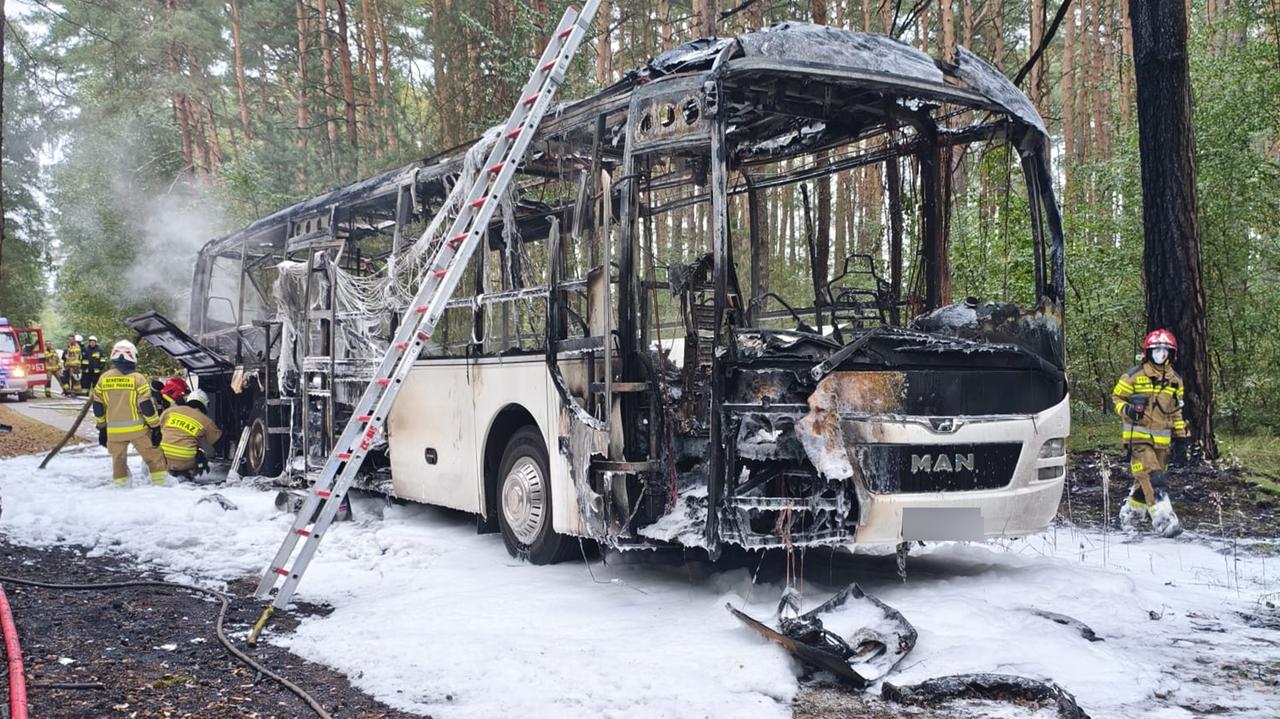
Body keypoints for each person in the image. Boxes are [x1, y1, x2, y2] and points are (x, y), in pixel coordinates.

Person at [1111, 329, 1188, 537]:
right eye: (1156, 350)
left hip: (1162, 442)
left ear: (1172, 354)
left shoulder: (1176, 381)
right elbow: (1117, 398)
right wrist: (1127, 410)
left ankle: (1130, 516)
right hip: (1138, 439)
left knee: (1143, 481)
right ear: (1148, 352)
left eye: (1165, 351)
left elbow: (1177, 412)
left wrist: (1181, 439)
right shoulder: (1134, 375)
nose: (1161, 354)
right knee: (1155, 479)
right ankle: (1164, 521)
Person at [92, 339, 166, 486]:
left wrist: (102, 428)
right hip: (138, 431)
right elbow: (146, 406)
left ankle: (121, 491)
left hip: (114, 432)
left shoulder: (104, 378)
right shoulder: (138, 378)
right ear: (132, 356)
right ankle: (161, 487)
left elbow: (98, 406)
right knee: (154, 458)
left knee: (118, 463)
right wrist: (155, 426)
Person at [158, 388, 222, 478]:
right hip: (185, 461)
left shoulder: (170, 411)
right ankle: (188, 473)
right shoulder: (206, 421)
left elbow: (156, 429)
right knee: (201, 454)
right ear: (205, 405)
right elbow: (216, 445)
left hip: (161, 458)